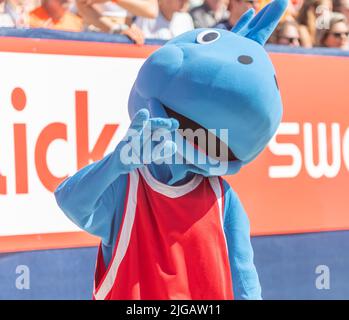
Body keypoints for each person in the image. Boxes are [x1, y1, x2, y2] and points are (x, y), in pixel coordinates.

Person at [55, 0, 288, 300]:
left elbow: (246, 285)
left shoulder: (223, 200)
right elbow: (70, 202)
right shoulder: (126, 187)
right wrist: (114, 163)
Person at [75, 0, 158, 43]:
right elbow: (81, 4)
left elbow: (152, 11)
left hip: (128, 38)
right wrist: (116, 29)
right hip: (95, 37)